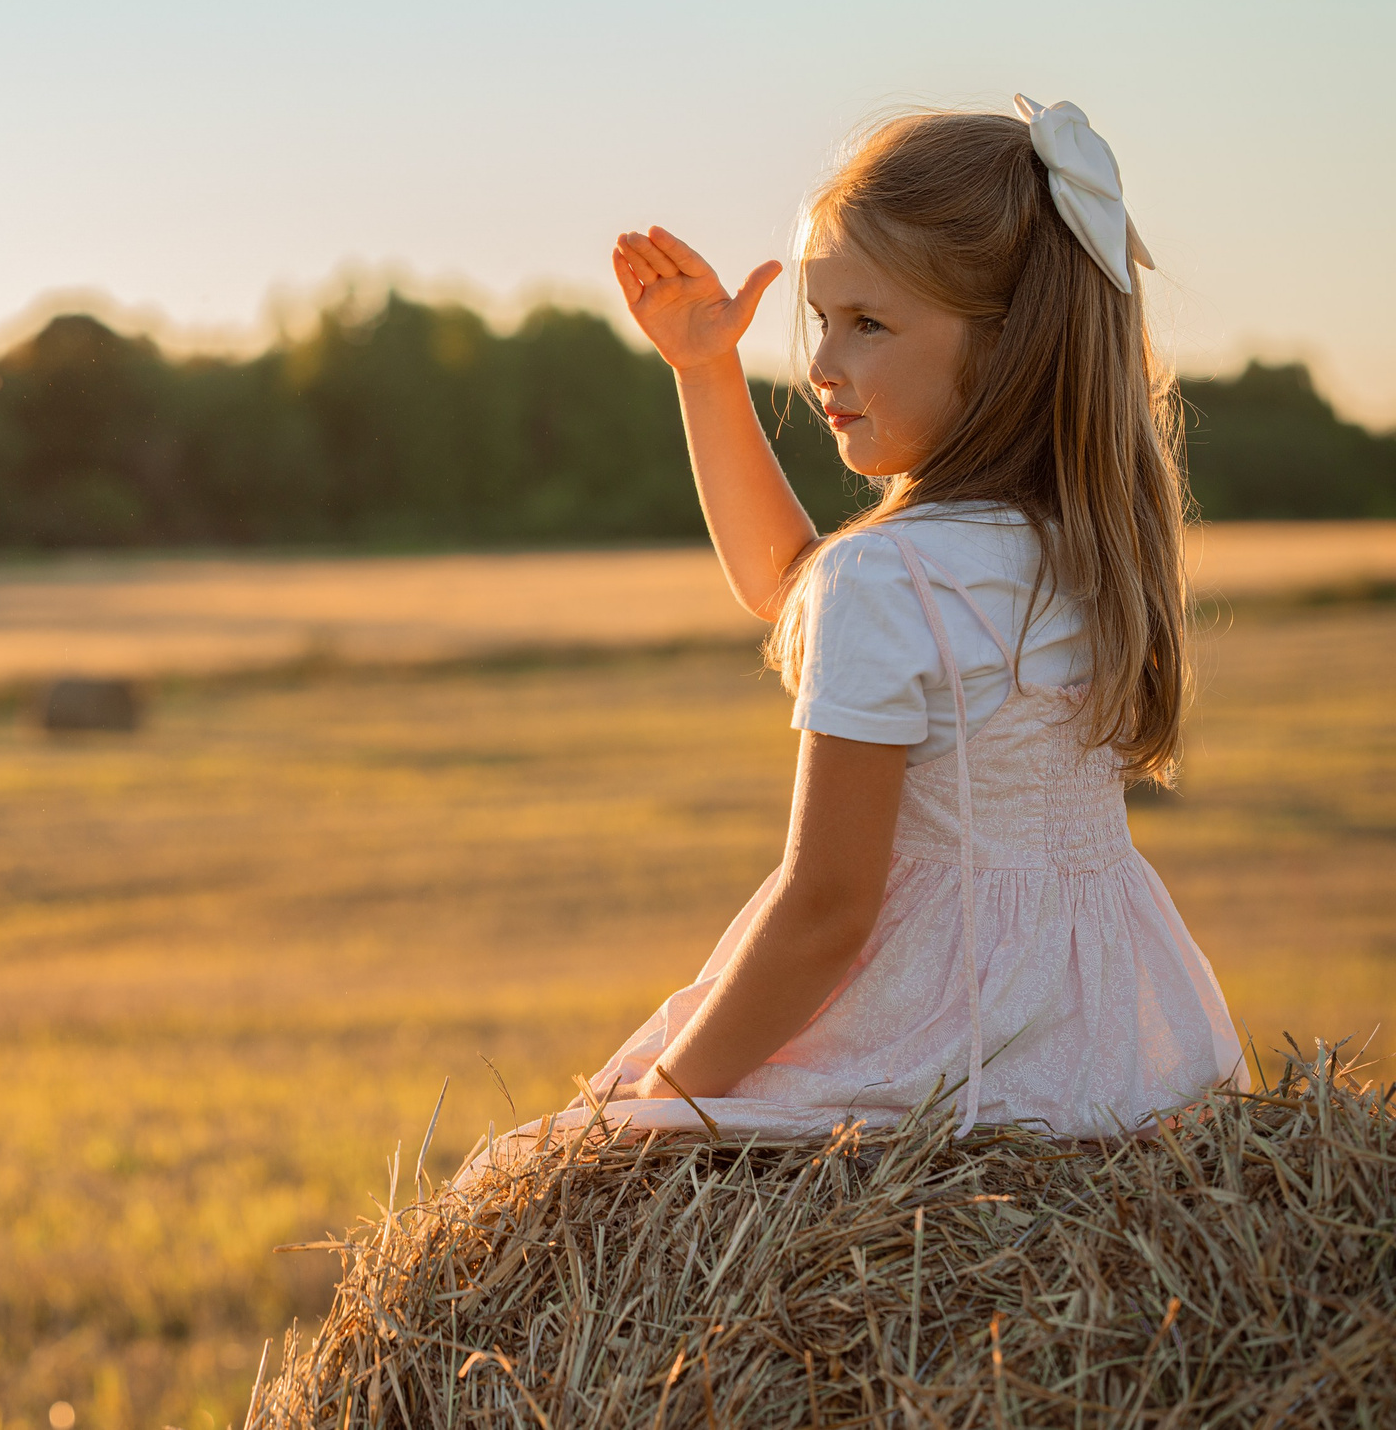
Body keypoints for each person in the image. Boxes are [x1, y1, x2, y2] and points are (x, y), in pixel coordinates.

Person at [484, 97, 1240, 1152]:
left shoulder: (893, 578)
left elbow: (829, 910)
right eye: (822, 317)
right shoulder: (1087, 543)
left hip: (925, 1054)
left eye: (868, 323)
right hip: (1099, 1050)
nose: (820, 363)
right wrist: (705, 372)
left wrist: (655, 1105)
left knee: (577, 1154)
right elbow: (794, 585)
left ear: (1009, 346)